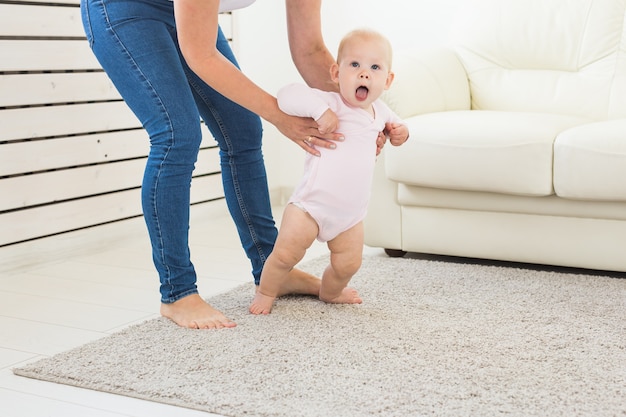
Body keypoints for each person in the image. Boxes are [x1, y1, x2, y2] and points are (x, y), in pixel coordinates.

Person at [80, 0, 365, 329]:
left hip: (187, 11)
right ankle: (177, 292)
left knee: (243, 129)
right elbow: (200, 55)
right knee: (177, 133)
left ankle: (271, 268)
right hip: (126, 8)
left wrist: (359, 116)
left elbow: (311, 50)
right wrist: (278, 115)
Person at [249, 29, 409, 315]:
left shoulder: (382, 112)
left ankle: (331, 292)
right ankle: (266, 290)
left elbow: (400, 129)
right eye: (354, 65)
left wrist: (400, 133)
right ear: (336, 72)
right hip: (310, 206)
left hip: (350, 214)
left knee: (349, 263)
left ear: (388, 79)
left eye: (374, 67)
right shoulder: (331, 102)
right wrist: (320, 111)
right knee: (286, 254)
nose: (364, 74)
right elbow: (287, 94)